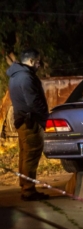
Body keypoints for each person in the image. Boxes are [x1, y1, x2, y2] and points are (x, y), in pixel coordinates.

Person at [7, 48, 49, 201]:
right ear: (31, 61)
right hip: (30, 121)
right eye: (38, 62)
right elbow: (34, 102)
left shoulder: (15, 76)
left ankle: (25, 185)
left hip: (22, 120)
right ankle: (29, 190)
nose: (39, 65)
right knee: (31, 155)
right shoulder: (26, 77)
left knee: (25, 154)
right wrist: (45, 118)